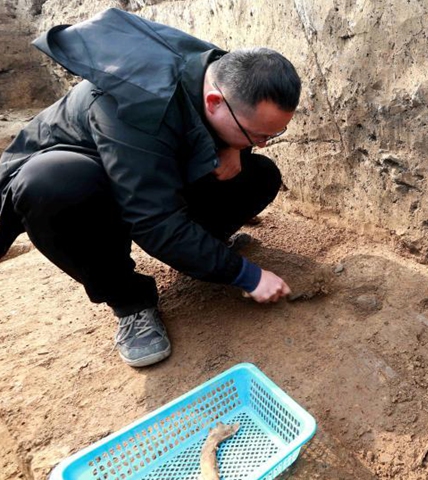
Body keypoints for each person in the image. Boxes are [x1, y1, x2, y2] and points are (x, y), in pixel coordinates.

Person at [0, 8, 299, 367]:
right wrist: (246, 274)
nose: (263, 142)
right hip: (76, 179)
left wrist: (236, 145)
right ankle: (130, 301)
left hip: (147, 165)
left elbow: (220, 132)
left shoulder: (219, 69)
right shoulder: (135, 102)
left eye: (273, 133)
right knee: (53, 184)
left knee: (259, 174)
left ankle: (199, 249)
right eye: (257, 134)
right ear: (215, 103)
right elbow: (154, 220)